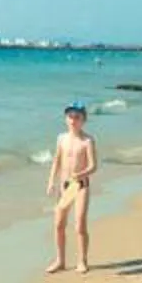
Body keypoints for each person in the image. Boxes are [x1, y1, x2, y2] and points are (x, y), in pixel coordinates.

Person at [45, 103, 99, 272]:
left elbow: (93, 166)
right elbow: (57, 160)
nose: (73, 120)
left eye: (77, 117)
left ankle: (82, 261)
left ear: (84, 120)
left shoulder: (87, 141)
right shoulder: (61, 138)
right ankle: (60, 260)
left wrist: (81, 174)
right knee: (59, 224)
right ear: (65, 119)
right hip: (65, 185)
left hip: (80, 184)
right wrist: (51, 181)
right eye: (70, 117)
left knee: (80, 225)